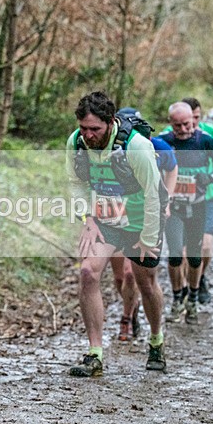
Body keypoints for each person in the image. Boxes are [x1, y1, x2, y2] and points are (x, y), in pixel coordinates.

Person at [66, 91, 167, 377]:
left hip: (139, 222)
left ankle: (156, 340)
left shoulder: (137, 147)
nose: (88, 135)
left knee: (145, 284)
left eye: (94, 129)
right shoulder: (76, 142)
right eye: (83, 128)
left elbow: (153, 195)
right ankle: (94, 353)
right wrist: (87, 217)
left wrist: (148, 238)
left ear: (110, 122)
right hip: (105, 221)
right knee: (88, 273)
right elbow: (76, 182)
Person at [108, 108, 178, 342]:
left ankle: (131, 321)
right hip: (115, 217)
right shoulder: (110, 147)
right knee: (120, 278)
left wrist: (166, 199)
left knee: (134, 276)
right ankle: (132, 307)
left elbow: (172, 168)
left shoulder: (156, 146)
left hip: (142, 217)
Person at [158, 102, 213, 324]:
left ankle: (193, 298)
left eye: (187, 124)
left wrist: (210, 177)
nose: (183, 129)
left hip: (198, 205)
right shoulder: (165, 141)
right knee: (175, 253)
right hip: (174, 206)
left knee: (195, 256)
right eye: (177, 126)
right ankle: (178, 298)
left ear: (193, 120)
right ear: (171, 124)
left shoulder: (204, 139)